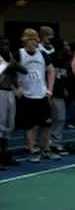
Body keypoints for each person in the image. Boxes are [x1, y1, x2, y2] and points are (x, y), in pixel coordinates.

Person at [14, 28, 61, 163]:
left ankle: (46, 149)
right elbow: (7, 71)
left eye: (36, 40)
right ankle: (32, 150)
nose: (36, 42)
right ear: (26, 40)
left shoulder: (43, 55)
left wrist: (50, 89)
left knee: (46, 124)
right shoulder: (19, 54)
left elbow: (51, 71)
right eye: (33, 40)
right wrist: (15, 89)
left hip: (41, 95)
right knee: (30, 126)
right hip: (27, 95)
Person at [0, 36, 23, 169]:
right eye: (2, 44)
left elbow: (23, 70)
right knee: (0, 125)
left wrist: (14, 63)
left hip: (9, 92)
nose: (5, 46)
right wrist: (8, 65)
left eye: (7, 44)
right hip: (0, 91)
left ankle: (5, 153)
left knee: (9, 125)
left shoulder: (9, 57)